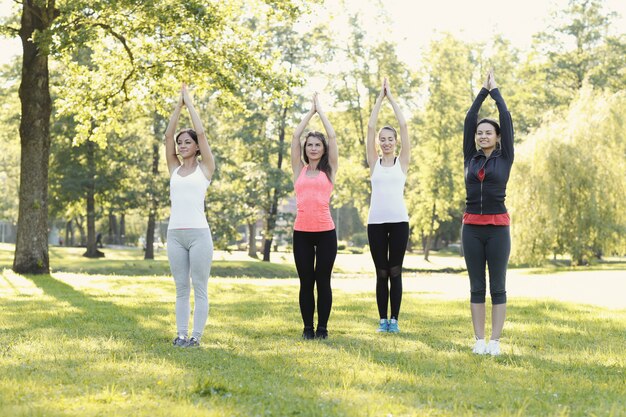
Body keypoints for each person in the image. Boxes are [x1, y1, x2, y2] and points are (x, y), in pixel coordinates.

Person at [462, 70, 514, 356]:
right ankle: (478, 340)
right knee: (476, 285)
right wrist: (481, 92)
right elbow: (470, 119)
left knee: (498, 285)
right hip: (471, 227)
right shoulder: (470, 156)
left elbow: (506, 119)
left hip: (497, 227)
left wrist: (495, 92)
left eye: (488, 133)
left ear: (496, 137)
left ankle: (495, 341)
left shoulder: (505, 157)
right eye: (480, 133)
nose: (482, 135)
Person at [164, 83, 215, 348]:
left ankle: (196, 337)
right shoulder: (173, 167)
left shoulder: (205, 169)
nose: (182, 145)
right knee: (181, 288)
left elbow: (203, 134)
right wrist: (178, 106)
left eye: (188, 142)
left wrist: (190, 104)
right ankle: (181, 334)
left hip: (199, 235)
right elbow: (167, 136)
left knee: (200, 287)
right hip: (174, 235)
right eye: (180, 143)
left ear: (196, 147)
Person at [291, 93, 339, 340]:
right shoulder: (298, 169)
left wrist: (321, 112)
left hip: (325, 233)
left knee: (323, 281)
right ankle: (308, 328)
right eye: (310, 145)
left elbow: (332, 136)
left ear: (323, 149)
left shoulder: (329, 169)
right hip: (301, 233)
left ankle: (322, 329)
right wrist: (309, 113)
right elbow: (295, 137)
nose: (312, 148)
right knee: (305, 282)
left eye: (317, 145)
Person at [365, 78, 410, 334]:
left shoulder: (402, 162)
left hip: (399, 222)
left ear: (395, 141)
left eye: (390, 138)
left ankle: (395, 319)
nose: (386, 142)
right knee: (381, 272)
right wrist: (379, 100)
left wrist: (391, 98)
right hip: (376, 223)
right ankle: (382, 319)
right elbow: (370, 127)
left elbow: (403, 125)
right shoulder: (374, 163)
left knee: (395, 271)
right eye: (382, 139)